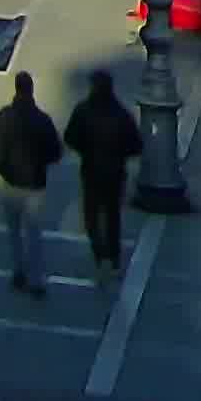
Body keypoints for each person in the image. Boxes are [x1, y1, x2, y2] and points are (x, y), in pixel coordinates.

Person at [61, 70, 144, 275]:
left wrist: (85, 150)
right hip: (115, 173)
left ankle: (99, 254)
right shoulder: (121, 114)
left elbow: (70, 137)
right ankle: (114, 258)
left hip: (91, 171)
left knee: (91, 216)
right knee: (112, 216)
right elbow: (136, 146)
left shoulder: (83, 111)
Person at [0, 74, 63, 296]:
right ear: (31, 90)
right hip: (34, 184)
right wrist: (42, 164)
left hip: (10, 182)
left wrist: (1, 166)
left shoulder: (5, 116)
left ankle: (18, 271)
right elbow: (55, 151)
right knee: (33, 233)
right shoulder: (42, 119)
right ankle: (36, 281)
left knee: (14, 232)